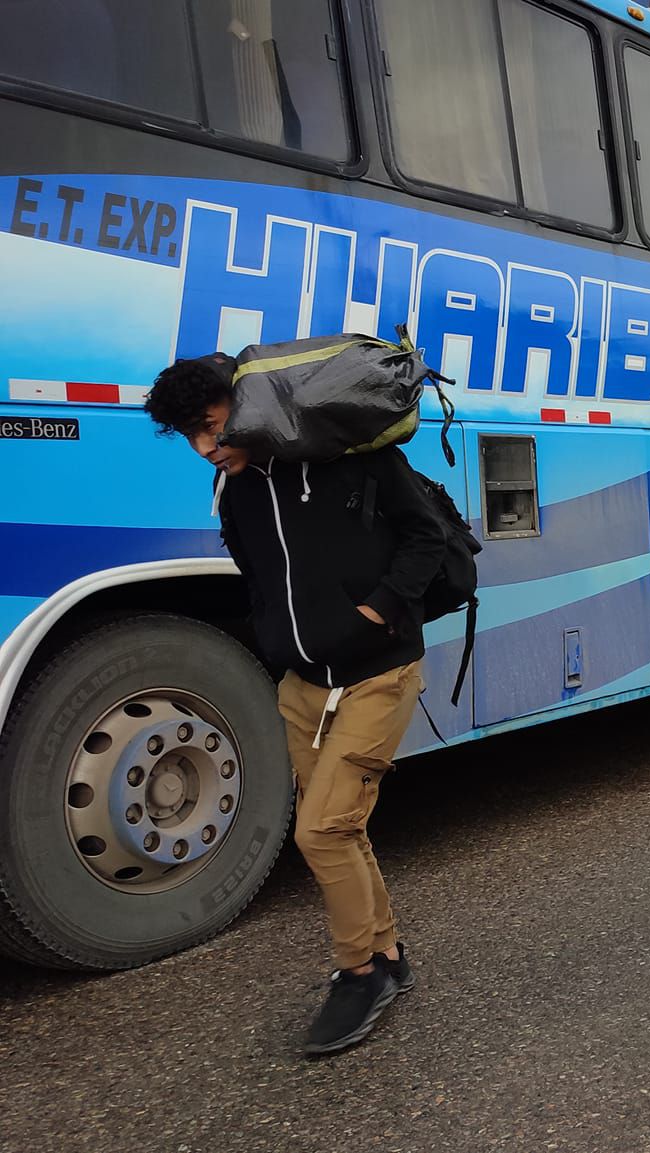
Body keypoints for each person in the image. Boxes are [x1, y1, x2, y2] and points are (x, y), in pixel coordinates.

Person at [143, 355, 446, 1056]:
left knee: (321, 832)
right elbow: (255, 575)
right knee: (343, 826)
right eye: (190, 436)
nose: (205, 447)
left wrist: (376, 612)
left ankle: (358, 973)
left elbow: (426, 537)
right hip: (303, 686)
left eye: (212, 426)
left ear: (246, 404)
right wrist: (277, 639)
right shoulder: (236, 488)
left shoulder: (349, 458)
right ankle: (388, 954)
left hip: (378, 674)